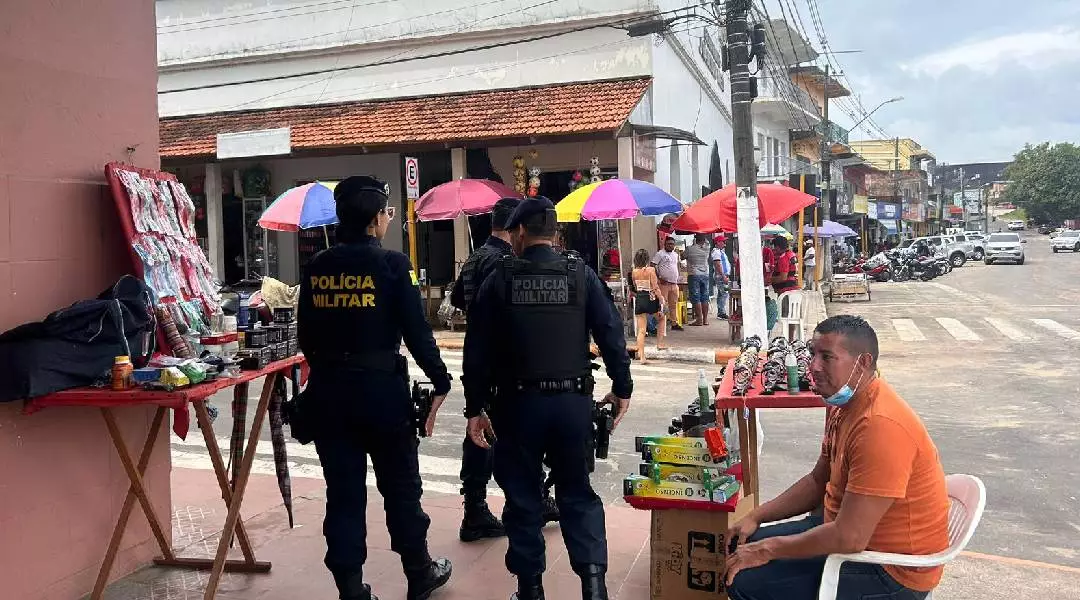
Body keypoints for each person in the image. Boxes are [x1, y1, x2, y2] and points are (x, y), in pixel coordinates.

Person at [463, 196, 633, 600]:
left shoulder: (501, 278)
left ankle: (531, 590)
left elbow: (477, 350)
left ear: (520, 233)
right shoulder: (580, 274)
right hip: (572, 407)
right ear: (554, 234)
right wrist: (622, 387)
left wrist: (475, 407)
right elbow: (612, 332)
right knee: (578, 495)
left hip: (518, 409)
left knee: (523, 498)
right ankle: (594, 588)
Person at [297, 176, 453, 600]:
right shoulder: (392, 265)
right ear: (374, 220)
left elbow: (305, 338)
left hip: (330, 396)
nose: (388, 220)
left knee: (344, 494)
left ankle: (351, 587)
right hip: (382, 396)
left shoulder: (317, 268)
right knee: (401, 489)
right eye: (386, 213)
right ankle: (418, 572)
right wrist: (440, 379)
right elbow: (417, 333)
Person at [725, 315, 950, 600]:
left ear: (863, 363)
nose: (814, 367)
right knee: (740, 542)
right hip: (845, 532)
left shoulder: (879, 426)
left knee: (744, 581)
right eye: (813, 354)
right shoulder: (845, 406)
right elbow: (818, 480)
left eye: (827, 357)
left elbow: (850, 538)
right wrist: (756, 516)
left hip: (891, 570)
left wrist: (767, 549)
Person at [448, 198, 521, 543]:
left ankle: (475, 506)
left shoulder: (477, 256)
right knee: (497, 428)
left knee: (480, 424)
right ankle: (479, 509)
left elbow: (458, 300)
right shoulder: (505, 260)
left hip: (476, 351)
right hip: (501, 355)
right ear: (515, 227)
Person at [631, 248, 667, 364]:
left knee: (641, 330)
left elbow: (635, 288)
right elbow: (655, 287)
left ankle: (642, 357)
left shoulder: (634, 272)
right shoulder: (651, 270)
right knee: (661, 318)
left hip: (640, 299)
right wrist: (661, 299)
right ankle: (660, 343)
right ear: (647, 259)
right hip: (651, 298)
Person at [650, 236, 683, 331]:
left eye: (672, 244)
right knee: (662, 304)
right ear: (665, 244)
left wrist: (679, 277)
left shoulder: (675, 255)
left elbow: (677, 266)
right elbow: (653, 265)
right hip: (664, 284)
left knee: (673, 304)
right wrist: (659, 278)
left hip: (674, 283)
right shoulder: (660, 254)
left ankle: (674, 323)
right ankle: (659, 324)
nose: (670, 246)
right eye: (668, 244)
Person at [685, 234, 712, 326]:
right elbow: (706, 241)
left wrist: (693, 242)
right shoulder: (707, 248)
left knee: (696, 297)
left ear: (695, 239)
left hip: (694, 274)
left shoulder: (689, 249)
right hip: (705, 274)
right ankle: (705, 320)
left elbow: (682, 256)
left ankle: (699, 319)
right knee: (705, 297)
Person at [711, 235, 731, 320]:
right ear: (718, 242)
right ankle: (722, 312)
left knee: (721, 294)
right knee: (724, 294)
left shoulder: (720, 251)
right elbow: (718, 265)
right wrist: (723, 276)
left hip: (722, 276)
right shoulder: (716, 252)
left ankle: (720, 312)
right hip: (721, 276)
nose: (725, 244)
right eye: (723, 242)